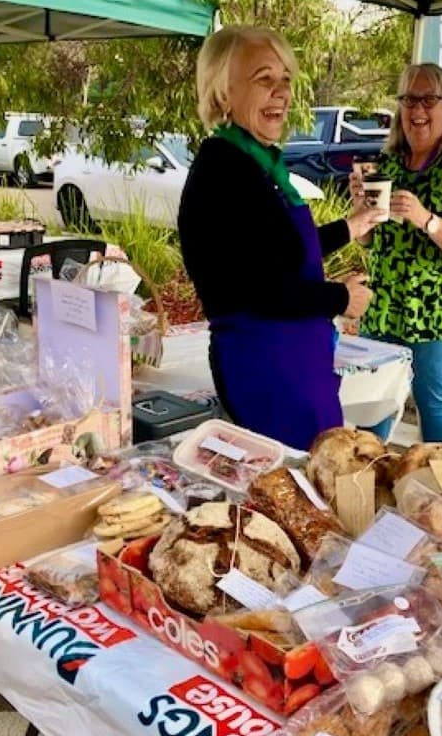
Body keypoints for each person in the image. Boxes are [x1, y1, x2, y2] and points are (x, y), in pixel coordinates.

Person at [179, 26, 381, 451]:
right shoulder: (225, 170)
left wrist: (350, 226)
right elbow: (261, 291)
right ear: (223, 93)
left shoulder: (254, 161)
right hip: (268, 368)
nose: (282, 92)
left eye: (285, 79)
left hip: (291, 362)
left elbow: (280, 253)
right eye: (264, 79)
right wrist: (339, 299)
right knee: (295, 493)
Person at [350, 62, 442, 444]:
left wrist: (426, 219)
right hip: (386, 305)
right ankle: (368, 474)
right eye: (409, 99)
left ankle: (441, 484)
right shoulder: (390, 161)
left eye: (429, 99)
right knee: (375, 396)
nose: (417, 110)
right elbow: (370, 241)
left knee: (433, 399)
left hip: (439, 310)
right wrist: (361, 211)